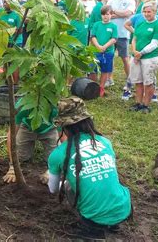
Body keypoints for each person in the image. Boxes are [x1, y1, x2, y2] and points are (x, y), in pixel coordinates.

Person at [47, 97, 131, 237]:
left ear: (63, 126)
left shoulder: (58, 154)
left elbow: (52, 189)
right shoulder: (105, 142)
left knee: (68, 185)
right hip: (124, 208)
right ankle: (112, 223)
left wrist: (67, 180)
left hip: (94, 217)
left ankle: (92, 229)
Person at [2, 102, 59, 185]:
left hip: (50, 129)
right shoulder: (23, 105)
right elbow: (11, 135)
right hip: (27, 127)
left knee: (52, 158)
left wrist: (53, 170)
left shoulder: (55, 107)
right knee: (21, 156)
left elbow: (64, 137)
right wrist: (12, 166)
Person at [128, 0, 158, 113]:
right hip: (137, 56)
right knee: (138, 81)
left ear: (155, 11)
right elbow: (134, 38)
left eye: (149, 12)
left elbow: (154, 43)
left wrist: (141, 53)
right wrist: (134, 51)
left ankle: (146, 105)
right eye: (145, 12)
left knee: (148, 82)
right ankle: (138, 103)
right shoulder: (141, 22)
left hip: (149, 57)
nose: (147, 14)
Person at [107, 0, 136, 100]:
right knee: (110, 57)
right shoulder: (111, 1)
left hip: (123, 34)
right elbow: (107, 14)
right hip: (110, 33)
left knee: (125, 58)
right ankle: (109, 78)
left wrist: (115, 13)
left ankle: (130, 80)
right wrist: (121, 14)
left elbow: (128, 13)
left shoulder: (131, 1)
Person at [89, 5, 118, 97]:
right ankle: (93, 87)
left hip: (108, 52)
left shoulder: (113, 26)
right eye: (103, 14)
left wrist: (104, 46)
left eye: (107, 14)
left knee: (105, 70)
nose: (105, 16)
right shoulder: (96, 25)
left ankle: (101, 88)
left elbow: (114, 39)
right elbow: (93, 36)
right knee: (93, 70)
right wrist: (98, 46)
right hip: (95, 51)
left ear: (111, 15)